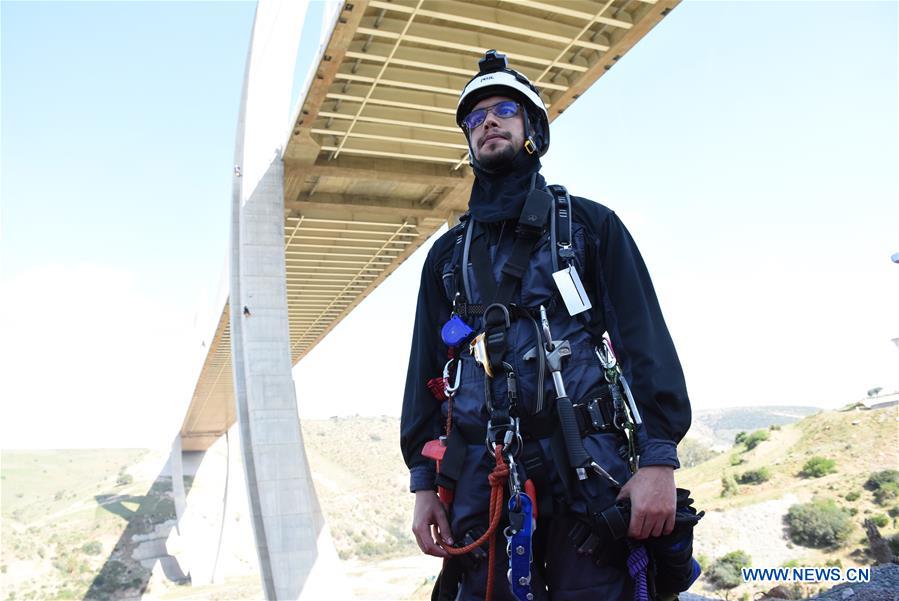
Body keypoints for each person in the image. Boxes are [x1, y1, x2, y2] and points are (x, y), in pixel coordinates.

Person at [400, 50, 696, 601]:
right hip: (479, 476)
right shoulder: (446, 258)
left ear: (532, 128)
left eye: (504, 110)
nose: (486, 121)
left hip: (589, 470)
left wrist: (658, 460)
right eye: (474, 117)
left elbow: (642, 343)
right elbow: (428, 372)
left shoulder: (588, 227)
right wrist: (424, 485)